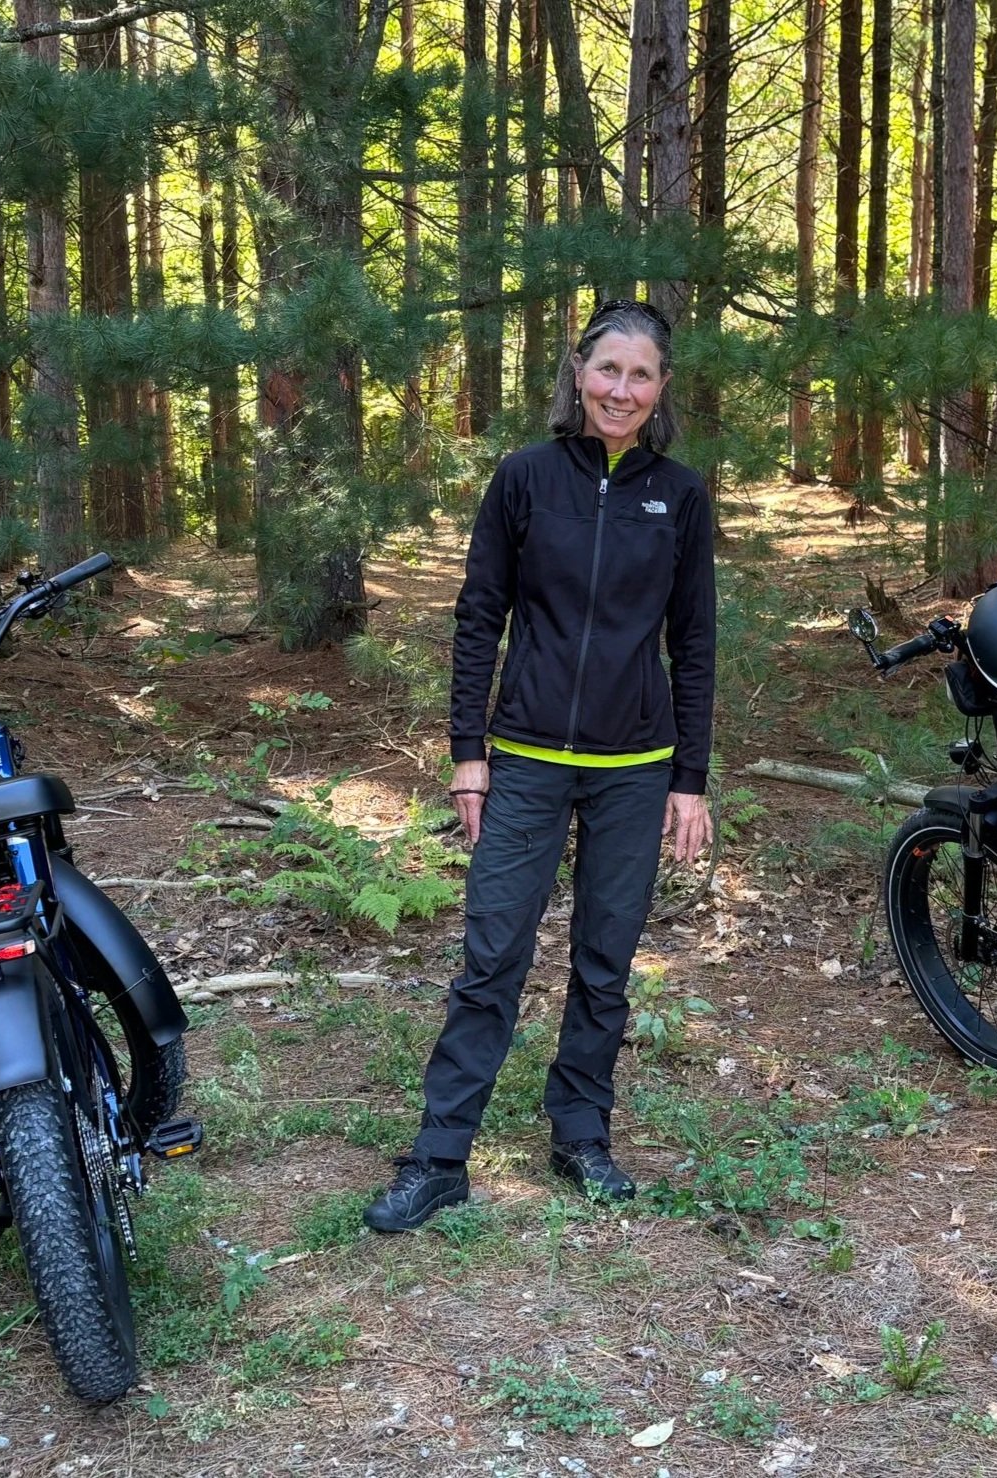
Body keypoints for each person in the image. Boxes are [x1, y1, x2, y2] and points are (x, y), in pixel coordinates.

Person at [364, 300, 717, 1232]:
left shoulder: (678, 494)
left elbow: (697, 641)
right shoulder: (523, 479)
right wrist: (467, 756)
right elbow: (479, 616)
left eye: (641, 376)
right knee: (493, 956)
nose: (622, 391)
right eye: (609, 371)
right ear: (577, 371)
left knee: (605, 961)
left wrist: (690, 777)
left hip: (637, 766)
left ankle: (580, 1133)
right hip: (522, 758)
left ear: (661, 388)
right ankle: (441, 1156)